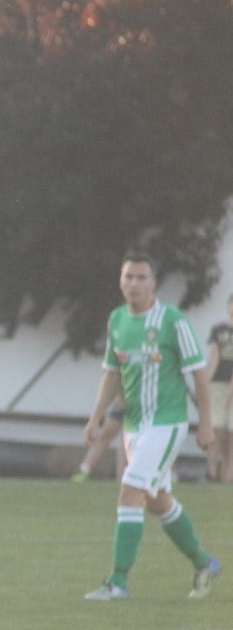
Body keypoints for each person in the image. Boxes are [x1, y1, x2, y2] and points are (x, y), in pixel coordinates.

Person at [83, 252, 220, 602]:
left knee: (129, 489)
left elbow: (200, 376)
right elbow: (112, 373)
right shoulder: (117, 320)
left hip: (167, 424)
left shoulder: (173, 321)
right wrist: (95, 418)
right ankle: (205, 563)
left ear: (153, 283)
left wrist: (205, 425)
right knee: (157, 501)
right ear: (121, 280)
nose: (134, 283)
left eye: (142, 277)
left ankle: (117, 582)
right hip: (134, 426)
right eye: (129, 276)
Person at [204, 293, 233, 482]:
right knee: (214, 427)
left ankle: (228, 473)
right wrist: (204, 384)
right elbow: (214, 357)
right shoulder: (219, 330)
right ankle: (211, 469)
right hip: (217, 384)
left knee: (231, 432)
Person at [70, 397, 126, 482]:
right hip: (124, 401)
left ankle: (123, 479)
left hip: (133, 403)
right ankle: (84, 470)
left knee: (124, 439)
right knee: (107, 433)